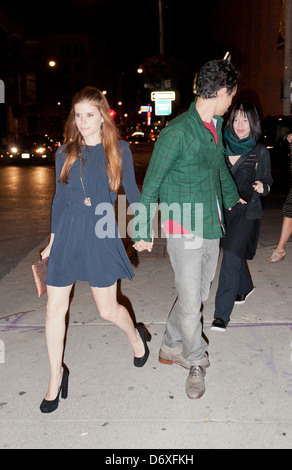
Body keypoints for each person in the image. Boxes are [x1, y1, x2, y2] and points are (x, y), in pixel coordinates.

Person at [133, 59, 240, 399]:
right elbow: (151, 186)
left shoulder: (215, 124)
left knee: (196, 296)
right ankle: (195, 361)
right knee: (193, 302)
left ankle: (169, 345)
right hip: (183, 227)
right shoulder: (176, 132)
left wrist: (233, 197)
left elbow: (218, 167)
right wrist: (141, 230)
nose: (232, 101)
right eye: (231, 95)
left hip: (211, 224)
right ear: (221, 92)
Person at [39, 86, 150, 414]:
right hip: (69, 233)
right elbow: (59, 201)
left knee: (107, 309)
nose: (84, 122)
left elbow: (130, 193)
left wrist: (139, 229)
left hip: (101, 231)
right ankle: (55, 377)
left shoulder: (119, 150)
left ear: (103, 115)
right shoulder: (64, 152)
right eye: (78, 115)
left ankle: (135, 337)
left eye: (90, 115)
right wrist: (51, 241)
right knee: (54, 309)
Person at [211, 100, 273, 332]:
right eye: (236, 119)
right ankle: (244, 287)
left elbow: (268, 183)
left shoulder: (259, 151)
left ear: (252, 123)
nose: (239, 124)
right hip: (225, 210)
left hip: (247, 213)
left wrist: (261, 187)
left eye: (245, 120)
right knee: (234, 254)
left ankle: (221, 315)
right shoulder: (221, 146)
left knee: (229, 258)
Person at [267, 106, 292, 262]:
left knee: (289, 208)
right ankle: (280, 249)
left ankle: (280, 249)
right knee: (290, 209)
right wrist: (291, 141)